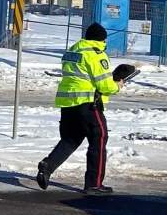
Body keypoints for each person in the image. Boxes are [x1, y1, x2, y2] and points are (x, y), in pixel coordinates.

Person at [36, 23, 123, 195]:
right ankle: (94, 184)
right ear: (102, 39)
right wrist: (117, 85)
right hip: (89, 104)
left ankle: (48, 166)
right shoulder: (96, 54)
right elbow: (105, 85)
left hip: (68, 104)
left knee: (71, 139)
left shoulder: (73, 51)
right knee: (99, 139)